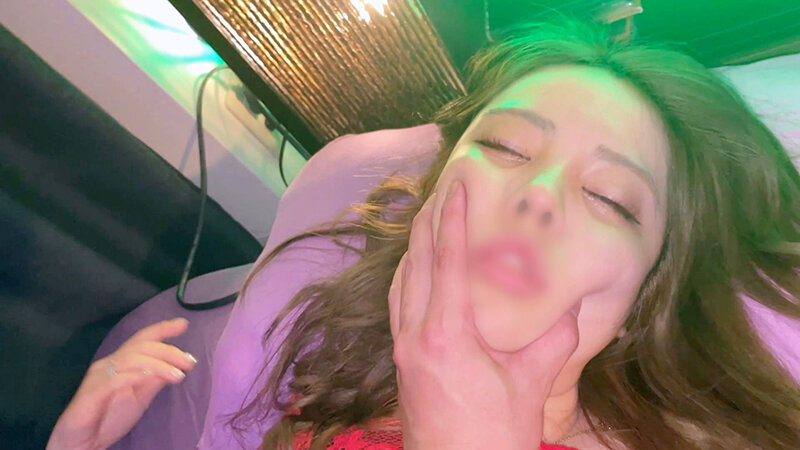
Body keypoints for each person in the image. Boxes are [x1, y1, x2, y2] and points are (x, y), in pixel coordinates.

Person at [49, 18, 800, 450]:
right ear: (432, 195)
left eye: (610, 198)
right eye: (505, 147)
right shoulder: (349, 370)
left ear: (646, 295)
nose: (538, 197)